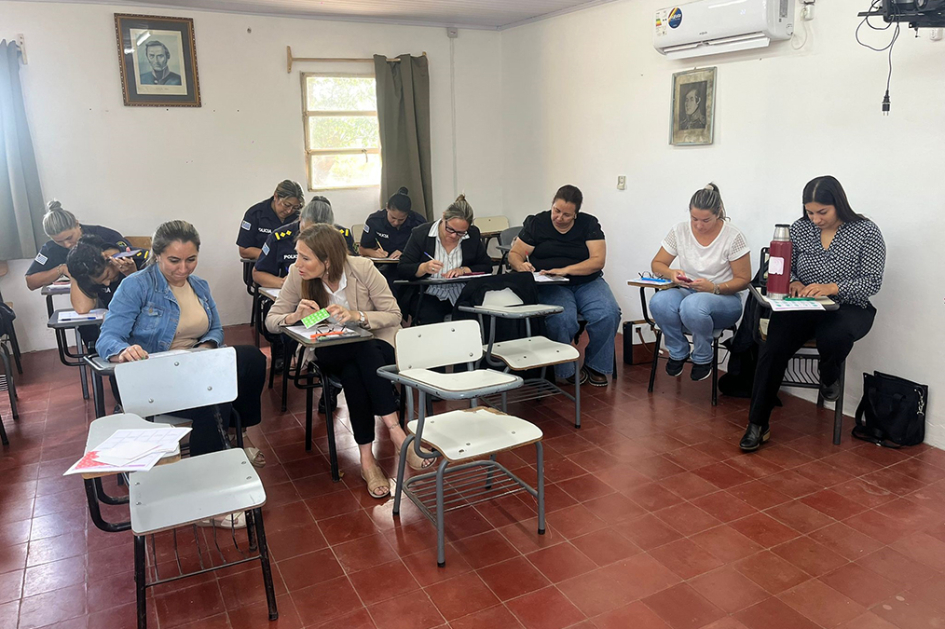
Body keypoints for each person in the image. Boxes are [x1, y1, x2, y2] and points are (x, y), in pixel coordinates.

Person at [265, 224, 435, 498]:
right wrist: (295, 317)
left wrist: (358, 316)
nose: (297, 264)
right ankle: (397, 433)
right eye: (298, 255)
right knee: (359, 352)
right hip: (329, 348)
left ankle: (367, 461)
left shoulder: (362, 268)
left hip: (376, 344)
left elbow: (393, 314)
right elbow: (271, 321)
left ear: (328, 260)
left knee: (357, 365)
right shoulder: (298, 276)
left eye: (305, 257)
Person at [96, 221, 268, 477]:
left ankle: (235, 433)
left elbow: (215, 329)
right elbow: (107, 337)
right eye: (174, 261)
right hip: (151, 376)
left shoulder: (199, 285)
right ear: (157, 255)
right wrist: (123, 350)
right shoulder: (136, 285)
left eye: (191, 259)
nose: (183, 268)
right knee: (214, 401)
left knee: (251, 357)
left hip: (192, 368)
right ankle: (205, 478)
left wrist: (205, 347)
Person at [740, 176, 886, 451]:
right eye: (810, 212)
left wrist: (832, 287)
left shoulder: (866, 231)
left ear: (839, 204)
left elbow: (872, 281)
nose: (816, 219)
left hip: (848, 306)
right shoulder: (800, 228)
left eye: (823, 212)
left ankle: (828, 374)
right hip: (804, 304)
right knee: (773, 348)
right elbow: (787, 266)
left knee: (834, 335)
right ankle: (757, 424)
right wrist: (794, 282)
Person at [508, 185, 621, 387]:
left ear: (576, 214)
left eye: (566, 215)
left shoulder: (589, 224)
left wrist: (566, 270)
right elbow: (515, 254)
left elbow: (598, 261)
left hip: (587, 281)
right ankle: (565, 368)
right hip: (551, 284)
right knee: (562, 318)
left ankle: (596, 366)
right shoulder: (538, 223)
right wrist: (521, 265)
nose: (559, 217)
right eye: (556, 211)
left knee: (608, 313)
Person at [649, 184, 751, 382]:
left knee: (693, 305)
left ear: (718, 213)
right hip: (689, 291)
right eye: (694, 218)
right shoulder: (679, 230)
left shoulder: (733, 236)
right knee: (659, 302)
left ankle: (703, 356)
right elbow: (657, 264)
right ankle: (678, 351)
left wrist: (714, 288)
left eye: (705, 220)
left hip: (724, 298)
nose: (698, 225)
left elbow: (744, 280)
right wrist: (671, 273)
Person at [397, 194, 493, 325]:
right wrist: (424, 268)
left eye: (460, 233)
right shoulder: (421, 234)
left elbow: (487, 266)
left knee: (473, 321)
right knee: (432, 320)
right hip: (428, 294)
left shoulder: (472, 234)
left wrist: (463, 270)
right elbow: (403, 268)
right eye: (450, 229)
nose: (454, 236)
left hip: (462, 293)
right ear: (443, 217)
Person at [65, 234, 149, 350]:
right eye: (101, 282)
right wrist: (75, 274)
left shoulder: (142, 260)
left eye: (107, 275)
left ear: (109, 258)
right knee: (88, 330)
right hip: (116, 329)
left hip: (145, 329)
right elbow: (82, 308)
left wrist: (132, 275)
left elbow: (156, 303)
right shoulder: (91, 271)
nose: (107, 283)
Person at [252, 196, 355, 289]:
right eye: (307, 232)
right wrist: (283, 283)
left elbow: (354, 270)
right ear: (300, 217)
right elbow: (258, 273)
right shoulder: (279, 237)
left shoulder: (343, 236)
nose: (311, 239)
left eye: (320, 235)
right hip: (296, 292)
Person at [24, 201, 126, 291]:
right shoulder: (50, 249)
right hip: (88, 295)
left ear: (77, 224)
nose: (67, 244)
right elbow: (31, 282)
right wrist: (61, 269)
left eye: (69, 238)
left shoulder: (104, 235)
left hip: (121, 288)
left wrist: (110, 253)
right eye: (59, 241)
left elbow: (130, 253)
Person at [236, 180, 304, 260]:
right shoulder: (255, 214)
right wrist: (274, 256)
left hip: (292, 264)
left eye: (295, 207)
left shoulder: (300, 218)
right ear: (276, 196)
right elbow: (244, 250)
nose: (289, 211)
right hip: (261, 263)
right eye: (287, 205)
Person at [358, 187, 425, 260]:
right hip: (384, 262)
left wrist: (405, 252)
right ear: (387, 207)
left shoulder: (418, 222)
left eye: (401, 219)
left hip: (410, 262)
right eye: (393, 218)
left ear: (408, 214)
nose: (396, 223)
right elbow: (362, 249)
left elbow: (426, 249)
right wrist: (374, 253)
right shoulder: (374, 221)